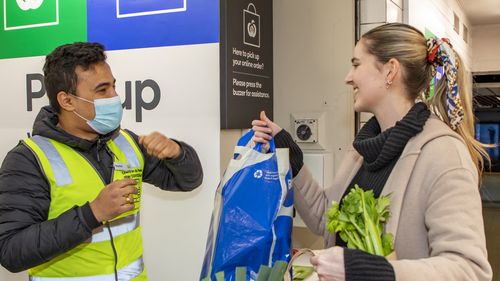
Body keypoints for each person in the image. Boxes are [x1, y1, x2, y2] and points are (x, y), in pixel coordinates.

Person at [252, 23, 492, 281]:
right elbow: (325, 218)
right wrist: (289, 154)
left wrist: (375, 272)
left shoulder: (443, 153)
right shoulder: (365, 147)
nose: (348, 77)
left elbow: (469, 270)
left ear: (390, 70)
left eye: (356, 64)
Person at [0, 42, 203, 280]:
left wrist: (177, 153)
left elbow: (188, 181)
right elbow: (10, 250)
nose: (115, 97)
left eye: (114, 86)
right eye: (102, 90)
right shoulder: (28, 160)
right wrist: (92, 213)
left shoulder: (125, 142)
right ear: (67, 101)